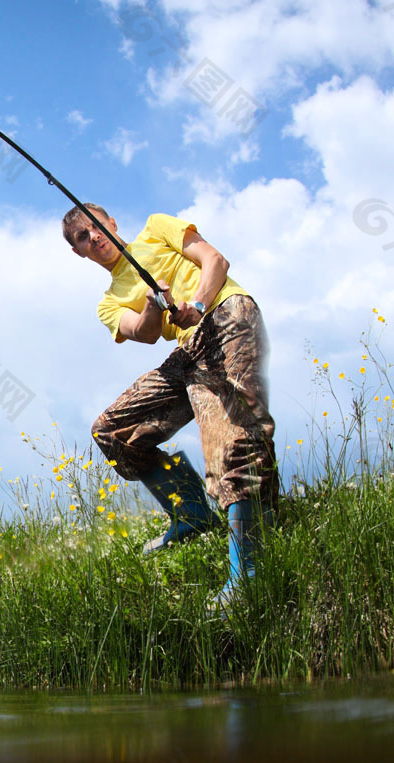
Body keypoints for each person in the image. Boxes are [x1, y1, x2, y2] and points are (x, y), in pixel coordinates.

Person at [62, 203, 278, 608]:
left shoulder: (156, 229)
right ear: (80, 253)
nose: (93, 237)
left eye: (95, 227)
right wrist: (152, 304)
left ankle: (247, 574)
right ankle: (192, 513)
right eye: (81, 238)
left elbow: (215, 260)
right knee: (111, 431)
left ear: (111, 222)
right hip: (187, 352)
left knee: (233, 438)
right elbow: (142, 333)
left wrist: (195, 304)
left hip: (225, 316)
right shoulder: (108, 302)